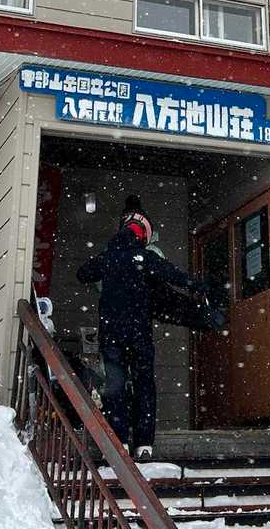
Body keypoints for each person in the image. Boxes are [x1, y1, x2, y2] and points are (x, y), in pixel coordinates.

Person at [76, 195, 205, 460]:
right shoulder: (146, 258)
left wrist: (109, 263)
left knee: (115, 384)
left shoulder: (108, 257)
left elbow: (83, 273)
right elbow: (177, 277)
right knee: (144, 383)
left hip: (111, 332)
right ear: (143, 235)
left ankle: (119, 440)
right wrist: (201, 287)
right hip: (139, 333)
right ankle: (144, 443)